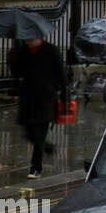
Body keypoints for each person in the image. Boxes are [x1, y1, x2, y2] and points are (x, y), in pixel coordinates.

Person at [9, 34, 67, 178]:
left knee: (39, 134)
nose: (28, 41)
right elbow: (17, 72)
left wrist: (65, 96)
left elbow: (61, 73)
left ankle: (36, 167)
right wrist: (12, 58)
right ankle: (46, 147)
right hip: (28, 97)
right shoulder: (23, 51)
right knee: (28, 133)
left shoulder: (51, 50)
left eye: (31, 38)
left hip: (45, 98)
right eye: (26, 39)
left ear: (39, 38)